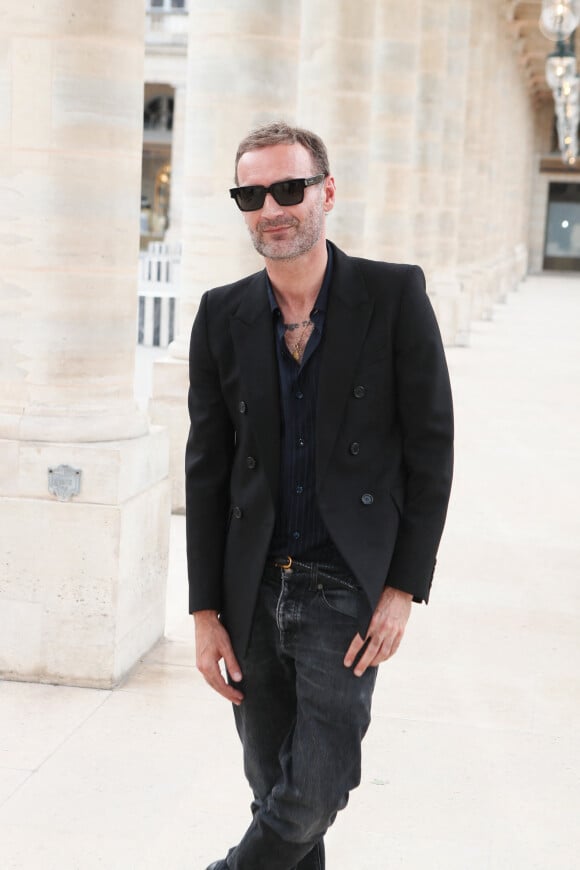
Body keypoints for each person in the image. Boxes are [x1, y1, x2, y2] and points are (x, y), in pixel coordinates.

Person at [186, 121, 454, 870]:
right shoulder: (221, 314)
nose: (272, 207)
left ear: (326, 192)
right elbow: (207, 470)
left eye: (289, 188)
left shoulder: (393, 296)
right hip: (250, 586)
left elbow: (432, 450)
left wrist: (403, 587)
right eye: (251, 193)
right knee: (273, 785)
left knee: (317, 784)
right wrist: (205, 612)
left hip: (345, 585)